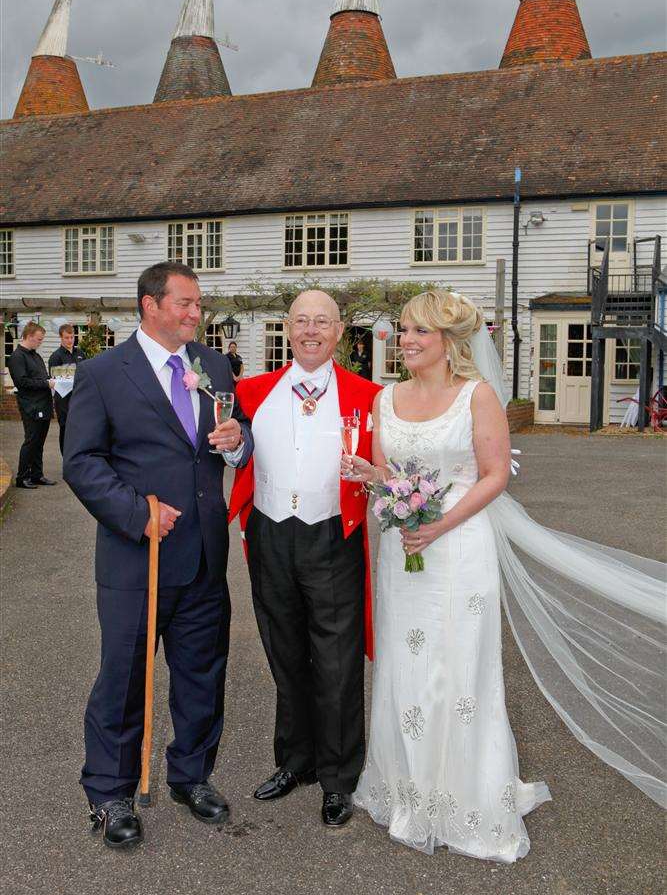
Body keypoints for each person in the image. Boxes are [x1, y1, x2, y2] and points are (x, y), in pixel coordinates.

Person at [344, 290, 665, 860]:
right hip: (403, 548)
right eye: (404, 330)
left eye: (421, 332)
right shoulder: (385, 400)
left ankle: (466, 795)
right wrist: (374, 478)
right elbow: (391, 476)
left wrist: (439, 524)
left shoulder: (478, 395)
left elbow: (493, 476)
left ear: (449, 342)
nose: (408, 341)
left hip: (460, 546)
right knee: (405, 660)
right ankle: (409, 789)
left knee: (460, 663)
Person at [64, 262, 253, 850]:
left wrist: (236, 442)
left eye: (199, 304)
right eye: (186, 304)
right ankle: (110, 792)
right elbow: (83, 461)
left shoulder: (214, 365)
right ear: (150, 305)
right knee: (123, 678)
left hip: (203, 557)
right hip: (135, 560)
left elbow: (232, 436)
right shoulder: (102, 374)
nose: (197, 314)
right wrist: (134, 512)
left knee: (202, 674)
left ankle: (191, 776)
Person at [227, 290, 381, 827]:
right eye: (301, 321)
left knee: (337, 661)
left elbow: (388, 465)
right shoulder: (250, 391)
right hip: (270, 533)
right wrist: (231, 447)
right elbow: (240, 447)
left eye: (323, 321)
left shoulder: (369, 396)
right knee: (284, 652)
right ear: (287, 329)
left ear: (340, 331)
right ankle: (295, 761)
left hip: (333, 536)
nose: (311, 330)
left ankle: (339, 777)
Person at [7, 321, 57, 489]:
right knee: (31, 441)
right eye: (38, 339)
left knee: (40, 442)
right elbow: (22, 382)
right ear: (28, 336)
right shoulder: (17, 357)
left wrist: (49, 383)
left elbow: (41, 376)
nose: (40, 342)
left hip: (43, 404)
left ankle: (37, 475)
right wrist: (46, 384)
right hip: (30, 406)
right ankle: (22, 477)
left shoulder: (35, 355)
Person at [48, 323, 85, 454]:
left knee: (79, 432)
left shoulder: (80, 353)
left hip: (79, 400)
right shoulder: (55, 357)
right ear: (61, 338)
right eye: (66, 337)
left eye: (72, 337)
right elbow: (55, 381)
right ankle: (66, 463)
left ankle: (78, 460)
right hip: (63, 401)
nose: (70, 340)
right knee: (65, 432)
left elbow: (84, 375)